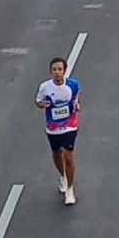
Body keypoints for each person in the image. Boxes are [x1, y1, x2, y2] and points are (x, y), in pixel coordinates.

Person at [36, 57, 81, 204]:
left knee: (68, 156)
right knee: (57, 153)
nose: (57, 72)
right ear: (51, 71)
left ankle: (70, 190)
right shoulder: (45, 87)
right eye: (54, 69)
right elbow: (38, 101)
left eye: (59, 69)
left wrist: (77, 104)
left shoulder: (73, 84)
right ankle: (63, 176)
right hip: (53, 126)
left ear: (64, 71)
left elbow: (77, 94)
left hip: (70, 123)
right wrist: (42, 105)